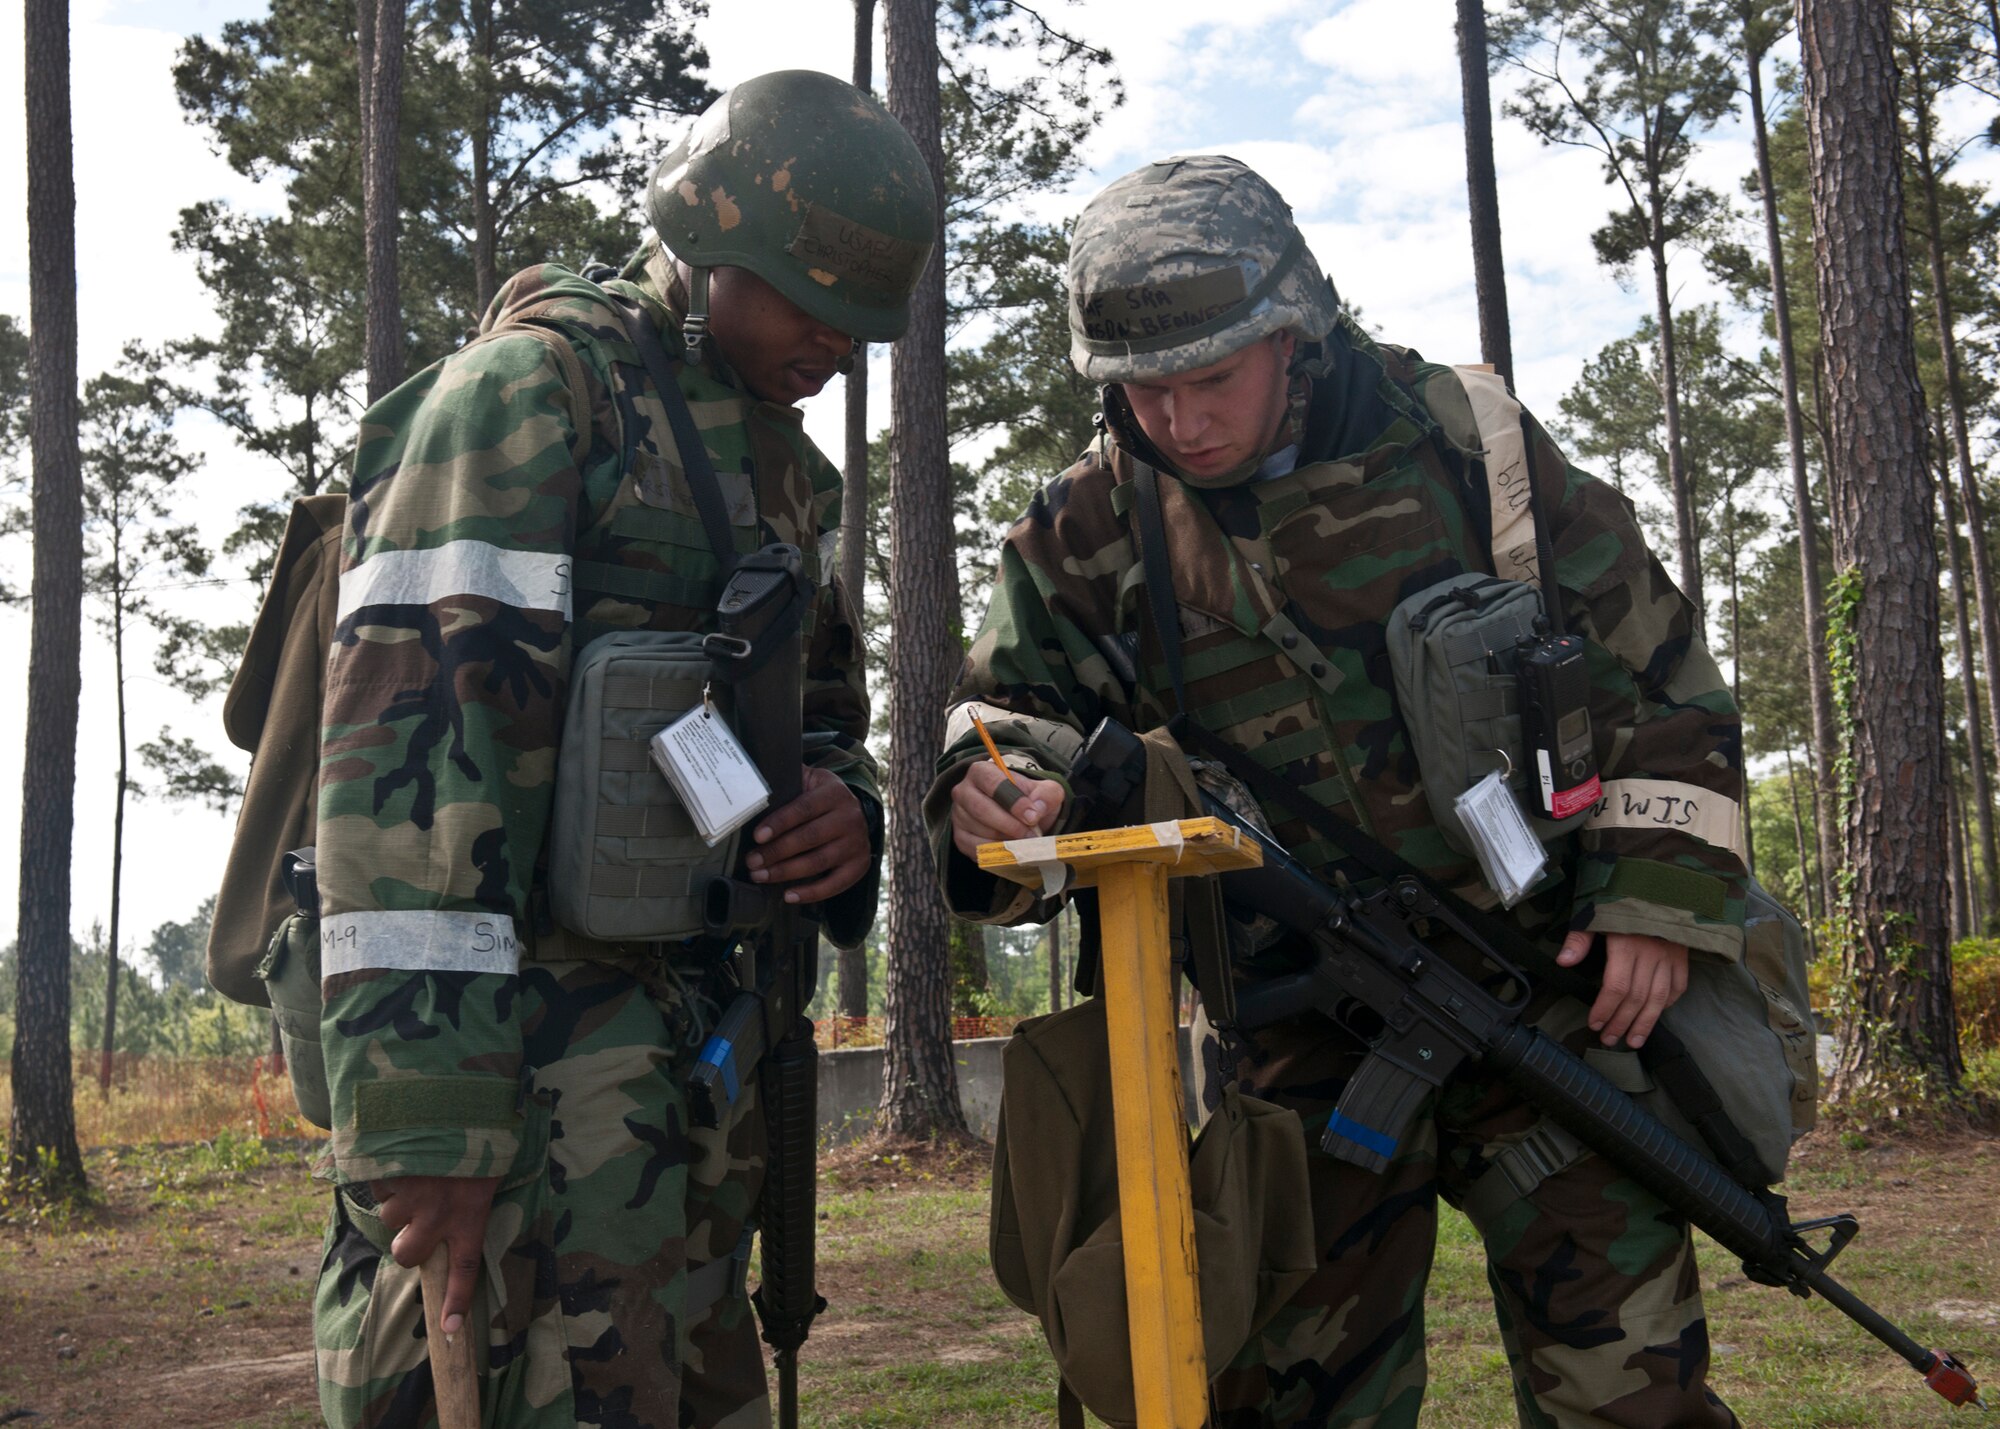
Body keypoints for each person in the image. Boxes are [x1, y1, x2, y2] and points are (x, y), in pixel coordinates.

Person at [928, 153, 1747, 1427]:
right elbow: (1002, 724)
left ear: (1293, 329)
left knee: (1629, 1394)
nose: (1181, 420)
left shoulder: (1463, 442)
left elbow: (1664, 675)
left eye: (1212, 379)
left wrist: (1653, 897)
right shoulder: (1083, 531)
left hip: (1549, 1004)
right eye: (1145, 391)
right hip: (1298, 1040)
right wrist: (996, 796)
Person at [312, 70, 935, 1429]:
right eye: (810, 298)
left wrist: (851, 815)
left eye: (858, 318)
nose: (837, 341)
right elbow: (408, 767)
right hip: (521, 1093)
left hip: (692, 1091)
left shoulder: (792, 481)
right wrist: (427, 1129)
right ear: (713, 244)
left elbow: (824, 723)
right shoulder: (532, 398)